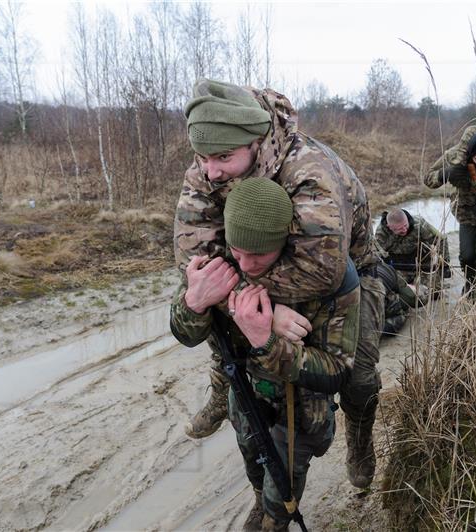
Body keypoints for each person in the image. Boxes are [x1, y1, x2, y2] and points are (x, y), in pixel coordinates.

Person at [174, 78, 384, 490]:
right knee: (214, 310)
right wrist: (247, 305)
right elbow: (190, 255)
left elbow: (320, 270)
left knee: (358, 375)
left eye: (222, 157)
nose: (210, 171)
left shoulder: (311, 173)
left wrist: (253, 303)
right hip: (256, 265)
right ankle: (222, 388)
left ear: (256, 142)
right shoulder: (208, 169)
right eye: (202, 157)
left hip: (347, 279)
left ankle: (360, 434)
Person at [170, 178, 360, 531]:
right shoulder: (220, 258)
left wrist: (267, 344)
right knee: (253, 461)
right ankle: (260, 498)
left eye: (258, 255)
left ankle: (275, 516)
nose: (246, 264)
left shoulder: (330, 274)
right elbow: (185, 334)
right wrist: (193, 303)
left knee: (282, 485)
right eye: (237, 252)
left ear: (285, 242)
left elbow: (336, 371)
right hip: (243, 392)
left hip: (299, 407)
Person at [424, 125, 476, 297]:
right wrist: (448, 173)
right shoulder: (455, 155)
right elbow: (428, 179)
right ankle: (471, 282)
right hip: (466, 213)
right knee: (467, 256)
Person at [375, 208, 451, 299]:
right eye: (399, 229)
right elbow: (377, 256)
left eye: (405, 225)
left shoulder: (419, 224)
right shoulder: (381, 234)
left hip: (423, 264)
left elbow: (440, 240)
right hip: (400, 268)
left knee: (434, 294)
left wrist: (445, 264)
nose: (404, 230)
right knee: (404, 295)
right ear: (389, 227)